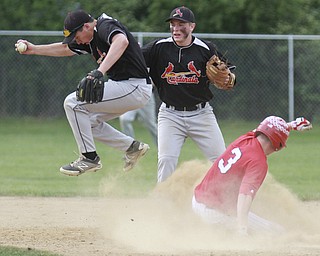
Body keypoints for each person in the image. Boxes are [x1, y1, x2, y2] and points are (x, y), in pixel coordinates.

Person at [15, 10, 153, 176]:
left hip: (134, 86)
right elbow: (66, 48)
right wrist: (34, 49)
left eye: (76, 35)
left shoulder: (103, 26)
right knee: (87, 122)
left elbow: (121, 41)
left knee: (73, 103)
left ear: (87, 26)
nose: (76, 40)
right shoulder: (90, 38)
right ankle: (132, 147)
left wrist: (99, 72)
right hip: (124, 87)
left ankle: (89, 158)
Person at [142, 6, 236, 182]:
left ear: (192, 26)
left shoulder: (206, 48)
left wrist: (229, 78)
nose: (176, 28)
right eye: (173, 24)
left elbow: (229, 74)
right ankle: (162, 204)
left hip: (201, 114)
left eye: (181, 24)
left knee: (221, 161)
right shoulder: (159, 47)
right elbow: (135, 59)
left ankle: (226, 200)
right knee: (166, 160)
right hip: (170, 115)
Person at [192, 116, 312, 236]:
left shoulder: (247, 138)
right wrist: (242, 229)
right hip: (214, 213)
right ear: (278, 146)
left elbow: (270, 130)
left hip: (198, 201)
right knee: (277, 233)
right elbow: (244, 196)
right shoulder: (258, 162)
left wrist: (290, 125)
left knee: (251, 216)